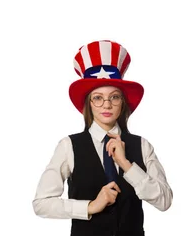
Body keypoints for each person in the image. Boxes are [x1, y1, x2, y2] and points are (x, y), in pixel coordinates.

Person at [32, 40, 173, 236]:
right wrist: (89, 206)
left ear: (122, 103)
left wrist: (127, 165)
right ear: (88, 103)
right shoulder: (68, 146)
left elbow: (165, 201)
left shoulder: (142, 146)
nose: (106, 104)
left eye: (114, 97)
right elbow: (41, 203)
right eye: (98, 98)